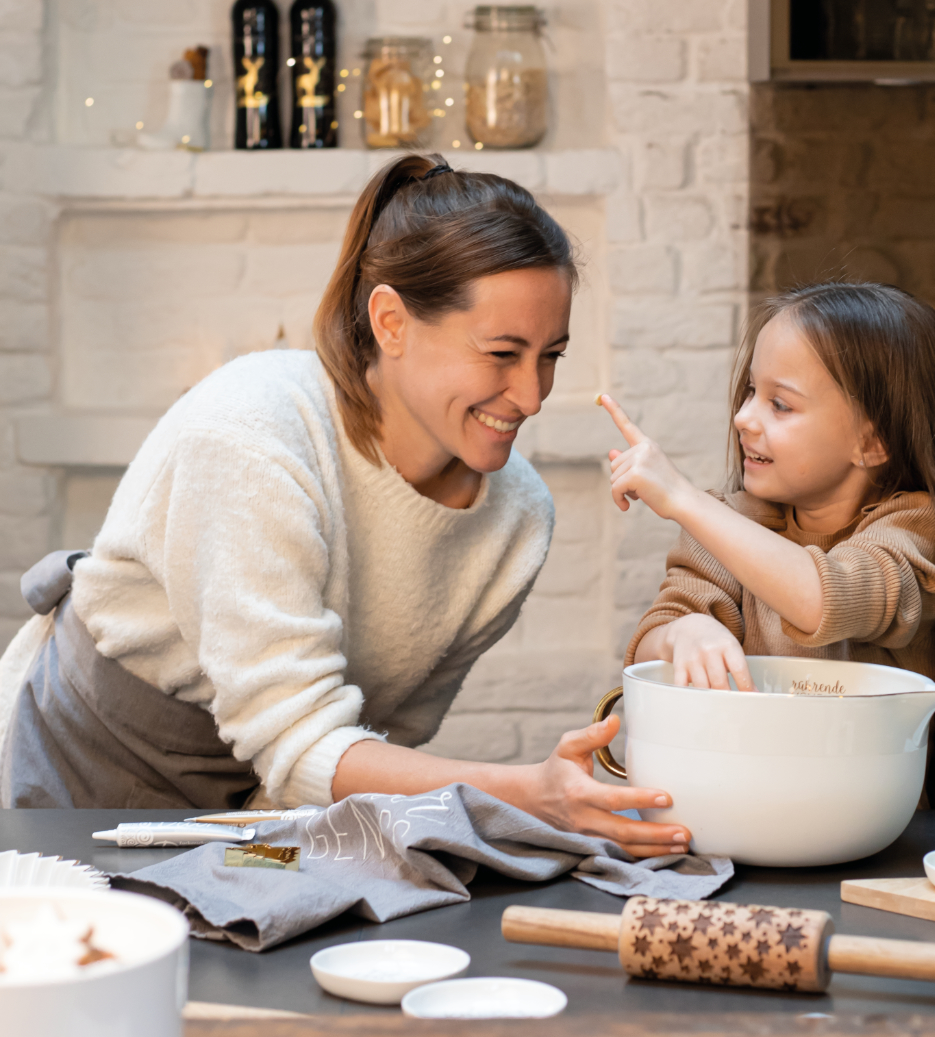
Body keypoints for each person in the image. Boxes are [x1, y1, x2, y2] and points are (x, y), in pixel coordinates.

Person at [0, 154, 690, 856]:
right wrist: (524, 794)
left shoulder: (516, 518)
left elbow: (366, 742)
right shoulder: (251, 435)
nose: (533, 395)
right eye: (502, 353)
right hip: (80, 778)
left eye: (551, 356)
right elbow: (301, 742)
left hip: (268, 803)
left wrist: (265, 855)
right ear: (390, 322)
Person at [599, 281, 935, 810]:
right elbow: (650, 645)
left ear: (871, 442)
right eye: (750, 392)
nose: (743, 417)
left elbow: (834, 597)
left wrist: (684, 499)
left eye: (779, 404)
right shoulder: (731, 521)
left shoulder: (918, 526)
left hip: (870, 829)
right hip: (736, 818)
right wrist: (681, 633)